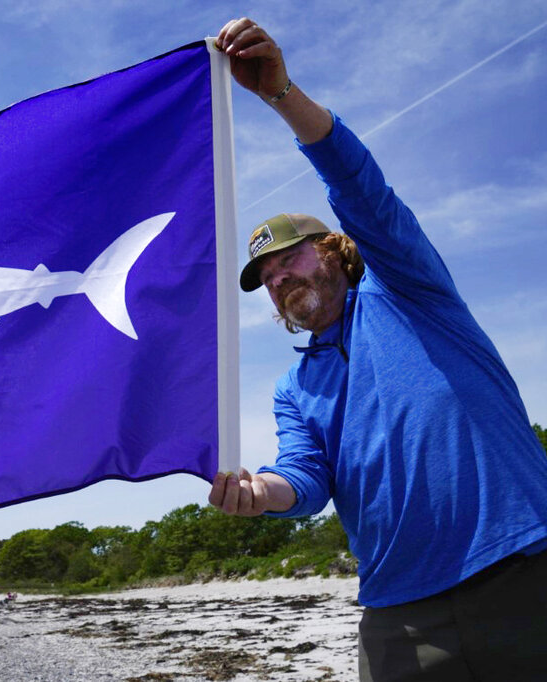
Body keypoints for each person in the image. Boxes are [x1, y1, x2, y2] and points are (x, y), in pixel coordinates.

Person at [209, 17, 547, 681]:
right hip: (398, 618)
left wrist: (281, 96)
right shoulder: (293, 387)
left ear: (334, 248)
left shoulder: (411, 289)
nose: (278, 279)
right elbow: (306, 481)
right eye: (267, 278)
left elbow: (360, 185)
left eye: (289, 259)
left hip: (525, 576)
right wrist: (262, 493)